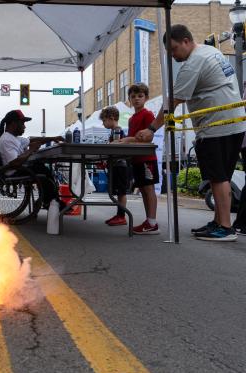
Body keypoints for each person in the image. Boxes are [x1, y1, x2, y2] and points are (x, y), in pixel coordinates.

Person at [136, 24, 246, 242]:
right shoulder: (211, 51)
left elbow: (172, 102)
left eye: (175, 49)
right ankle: (218, 221)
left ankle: (225, 227)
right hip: (233, 124)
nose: (173, 55)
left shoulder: (194, 62)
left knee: (218, 176)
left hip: (216, 126)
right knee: (221, 174)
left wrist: (151, 129)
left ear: (186, 41)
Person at [0, 110, 62, 207]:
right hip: (14, 171)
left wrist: (52, 138)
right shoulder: (7, 140)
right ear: (13, 124)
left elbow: (31, 140)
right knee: (43, 172)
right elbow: (14, 163)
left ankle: (48, 200)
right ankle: (51, 202)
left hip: (18, 169)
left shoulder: (13, 138)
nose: (24, 126)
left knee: (42, 168)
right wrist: (31, 150)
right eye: (22, 123)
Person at [118, 83, 159, 235]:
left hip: (147, 159)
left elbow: (147, 137)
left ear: (146, 98)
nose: (136, 99)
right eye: (133, 96)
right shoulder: (132, 118)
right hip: (136, 159)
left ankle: (152, 222)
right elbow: (134, 137)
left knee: (149, 189)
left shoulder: (147, 114)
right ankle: (149, 221)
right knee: (142, 189)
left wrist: (127, 140)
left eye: (140, 96)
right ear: (129, 99)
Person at [99, 106, 129, 226]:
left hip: (120, 166)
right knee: (118, 192)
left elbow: (116, 146)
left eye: (104, 121)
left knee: (121, 192)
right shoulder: (114, 131)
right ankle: (119, 214)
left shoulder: (117, 131)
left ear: (111, 118)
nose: (103, 124)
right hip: (116, 165)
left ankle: (122, 216)